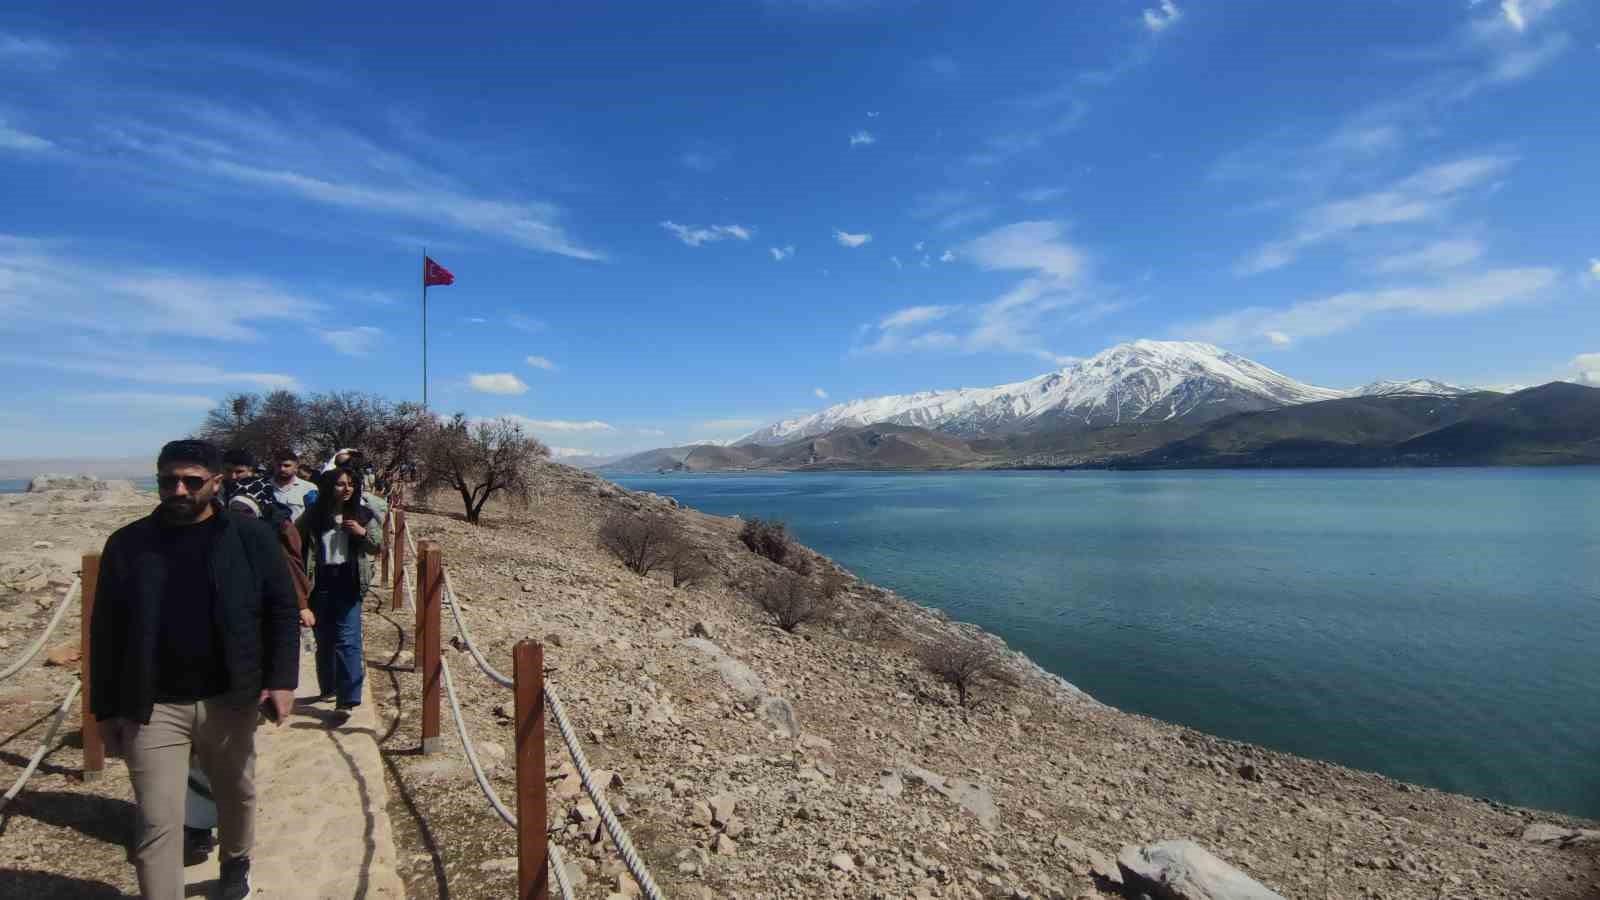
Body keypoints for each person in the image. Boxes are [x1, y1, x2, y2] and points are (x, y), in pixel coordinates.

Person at [91, 439, 298, 900]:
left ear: (217, 483)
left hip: (230, 696)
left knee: (236, 794)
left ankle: (235, 861)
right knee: (156, 819)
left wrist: (281, 680)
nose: (179, 490)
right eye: (169, 480)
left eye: (192, 481)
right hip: (153, 705)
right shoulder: (127, 544)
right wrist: (104, 710)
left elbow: (281, 610)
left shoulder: (252, 538)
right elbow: (105, 632)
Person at [299, 466, 382, 724]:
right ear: (328, 487)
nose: (346, 489)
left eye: (350, 484)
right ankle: (329, 687)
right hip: (320, 583)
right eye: (340, 484)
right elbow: (293, 542)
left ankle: (347, 700)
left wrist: (361, 533)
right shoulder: (313, 516)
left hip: (349, 582)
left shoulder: (363, 514)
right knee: (324, 639)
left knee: (347, 639)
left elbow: (378, 547)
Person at [268, 449, 316, 524]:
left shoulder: (309, 488)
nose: (282, 469)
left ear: (296, 467)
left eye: (287, 466)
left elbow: (313, 514)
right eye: (279, 465)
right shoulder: (264, 486)